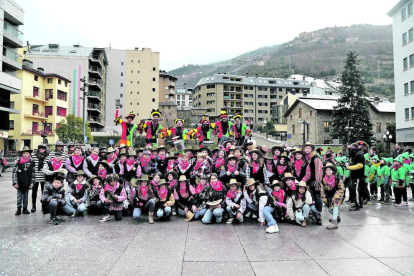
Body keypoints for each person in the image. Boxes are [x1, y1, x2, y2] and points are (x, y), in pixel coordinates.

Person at [320, 163, 345, 230]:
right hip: (329, 195)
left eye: (329, 170)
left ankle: (334, 223)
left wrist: (336, 196)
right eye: (327, 170)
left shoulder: (338, 179)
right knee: (329, 209)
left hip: (337, 195)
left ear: (333, 171)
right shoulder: (323, 180)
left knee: (335, 206)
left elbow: (341, 188)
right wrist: (324, 198)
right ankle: (337, 216)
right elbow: (322, 190)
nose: (328, 171)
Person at [13, 146, 35, 215]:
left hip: (27, 182)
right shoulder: (18, 162)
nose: (26, 154)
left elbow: (33, 174)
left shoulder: (32, 162)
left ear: (29, 154)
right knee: (19, 196)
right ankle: (18, 208)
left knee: (26, 196)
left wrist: (32, 183)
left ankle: (25, 208)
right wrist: (14, 182)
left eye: (27, 153)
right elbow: (14, 173)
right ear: (22, 154)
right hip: (19, 182)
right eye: (24, 153)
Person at [347, 143, 368, 211]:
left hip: (358, 176)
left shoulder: (359, 155)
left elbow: (360, 165)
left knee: (357, 191)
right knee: (357, 190)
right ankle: (359, 203)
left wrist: (349, 167)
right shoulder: (356, 155)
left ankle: (357, 205)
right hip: (355, 176)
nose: (349, 151)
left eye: (350, 150)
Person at [31, 144, 49, 213]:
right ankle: (33, 206)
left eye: (43, 148)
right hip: (35, 176)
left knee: (43, 193)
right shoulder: (33, 155)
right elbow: (28, 161)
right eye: (40, 148)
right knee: (34, 192)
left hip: (43, 177)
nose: (41, 149)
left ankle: (44, 207)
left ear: (45, 149)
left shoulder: (47, 157)